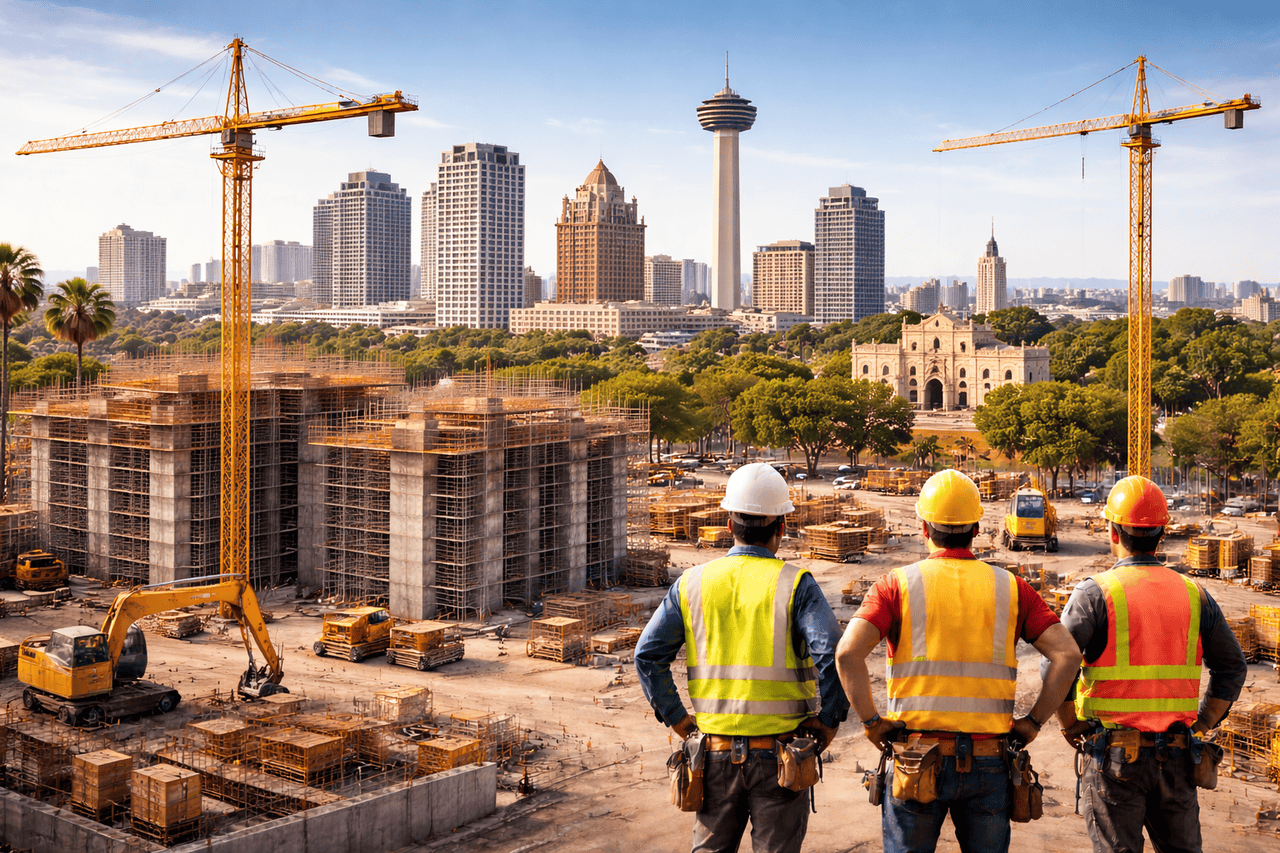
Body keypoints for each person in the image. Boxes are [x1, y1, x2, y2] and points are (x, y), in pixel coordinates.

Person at [835, 469, 1082, 853]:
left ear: (923, 526)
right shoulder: (1011, 588)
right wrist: (1032, 722)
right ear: (977, 528)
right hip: (989, 761)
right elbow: (1067, 655)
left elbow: (847, 653)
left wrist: (870, 723)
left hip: (916, 758)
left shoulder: (895, 585)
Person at [635, 462, 849, 853]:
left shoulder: (692, 583)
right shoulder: (796, 584)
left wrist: (679, 719)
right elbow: (835, 652)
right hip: (781, 755)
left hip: (713, 756)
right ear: (781, 527)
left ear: (729, 523)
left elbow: (648, 655)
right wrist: (830, 719)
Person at [1052, 475, 1247, 853]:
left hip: (1114, 761)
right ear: (1162, 534)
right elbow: (1232, 668)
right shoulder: (1195, 595)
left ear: (1112, 531)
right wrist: (1202, 723)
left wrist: (1069, 723)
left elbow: (1060, 664)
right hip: (1177, 756)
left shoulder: (1095, 593)